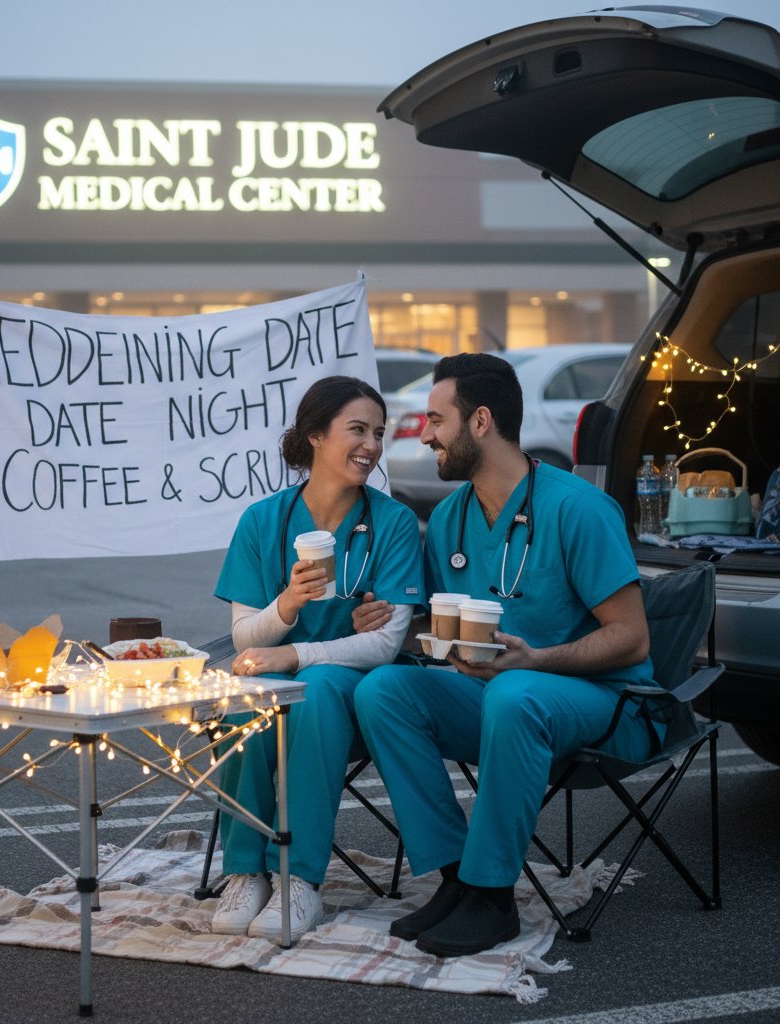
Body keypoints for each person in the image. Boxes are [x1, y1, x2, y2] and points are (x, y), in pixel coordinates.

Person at [352, 352, 665, 958]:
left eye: (437, 419)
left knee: (516, 694)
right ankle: (455, 880)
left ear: (480, 422)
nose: (427, 433)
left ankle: (493, 895)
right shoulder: (448, 519)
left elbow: (632, 637)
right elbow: (441, 621)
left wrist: (535, 661)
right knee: (382, 691)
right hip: (494, 694)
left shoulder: (577, 508)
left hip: (604, 701)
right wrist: (385, 618)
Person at [211, 375, 424, 943]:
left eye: (378, 432)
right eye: (357, 430)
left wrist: (294, 654)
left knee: (321, 688)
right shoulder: (264, 521)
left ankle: (299, 878)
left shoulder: (395, 523)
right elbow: (243, 639)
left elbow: (384, 643)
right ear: (314, 436)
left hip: (356, 693)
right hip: (284, 685)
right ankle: (244, 872)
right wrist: (286, 604)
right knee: (245, 698)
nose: (372, 444)